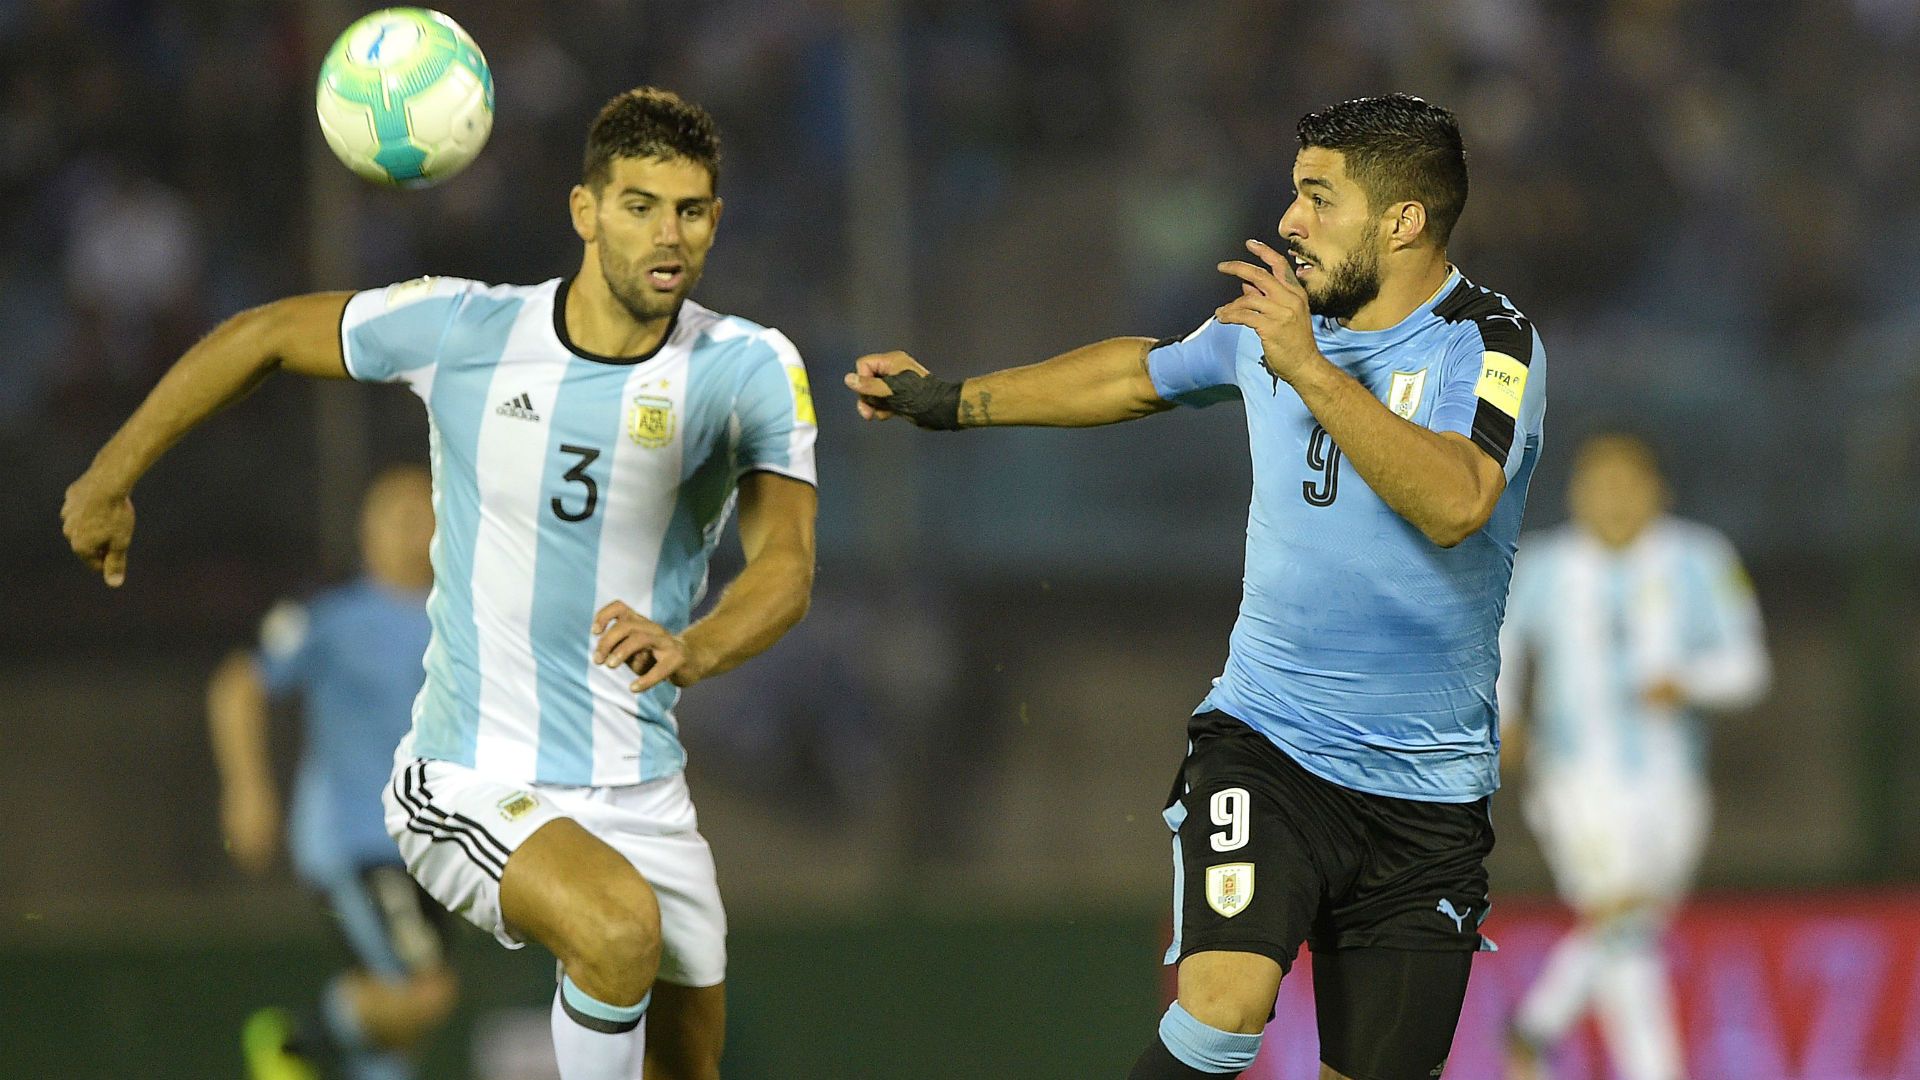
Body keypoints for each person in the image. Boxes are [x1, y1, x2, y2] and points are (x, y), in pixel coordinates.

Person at [64, 87, 819, 1080]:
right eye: (639, 205)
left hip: (642, 787)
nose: (666, 233)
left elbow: (787, 566)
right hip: (472, 773)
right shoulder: (466, 328)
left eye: (689, 209)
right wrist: (110, 475)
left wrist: (699, 647)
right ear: (585, 212)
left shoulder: (749, 368)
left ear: (715, 221)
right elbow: (263, 336)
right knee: (616, 926)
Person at [846, 93, 1547, 1080]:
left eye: (1319, 197)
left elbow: (1459, 499)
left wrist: (1308, 368)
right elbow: (1140, 374)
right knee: (1221, 1014)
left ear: (1403, 221)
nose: (1290, 220)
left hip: (1426, 801)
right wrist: (951, 401)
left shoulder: (1488, 343)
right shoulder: (1273, 332)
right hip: (1271, 748)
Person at [1498, 433, 1769, 1080]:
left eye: (1628, 483)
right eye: (1600, 484)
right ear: (1576, 493)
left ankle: (1537, 1022)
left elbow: (1749, 668)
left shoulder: (1700, 559)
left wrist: (1687, 680)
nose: (1614, 499)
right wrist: (1504, 718)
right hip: (1573, 777)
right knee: (1622, 916)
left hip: (1673, 778)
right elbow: (1498, 641)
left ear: (1657, 489)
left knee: (1632, 925)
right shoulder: (1543, 566)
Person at [207, 465, 454, 1080]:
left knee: (397, 1009)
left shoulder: (465, 621)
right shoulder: (329, 614)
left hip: (440, 844)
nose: (412, 527)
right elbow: (239, 684)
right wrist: (247, 787)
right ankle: (295, 1041)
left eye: (424, 512)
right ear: (365, 532)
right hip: (356, 838)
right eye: (395, 516)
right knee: (422, 989)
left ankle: (326, 1049)